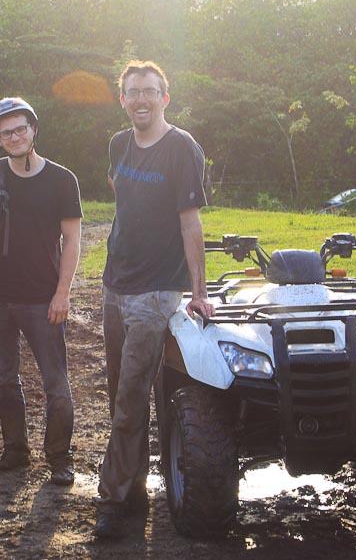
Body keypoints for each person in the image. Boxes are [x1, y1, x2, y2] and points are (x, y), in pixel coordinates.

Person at [94, 61, 215, 539]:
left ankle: (112, 499)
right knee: (119, 392)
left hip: (157, 289)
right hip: (114, 284)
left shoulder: (182, 148)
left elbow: (190, 223)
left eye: (149, 91)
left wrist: (199, 293)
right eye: (132, 92)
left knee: (130, 396)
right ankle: (135, 488)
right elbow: (122, 197)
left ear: (165, 97)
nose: (140, 99)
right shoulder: (118, 144)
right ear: (122, 99)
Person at [0, 97, 83, 486]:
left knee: (56, 382)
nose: (15, 137)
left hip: (42, 298)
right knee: (4, 379)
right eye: (6, 133)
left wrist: (62, 294)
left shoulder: (62, 180)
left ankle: (60, 458)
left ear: (34, 129)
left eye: (21, 128)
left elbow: (72, 241)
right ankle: (15, 452)